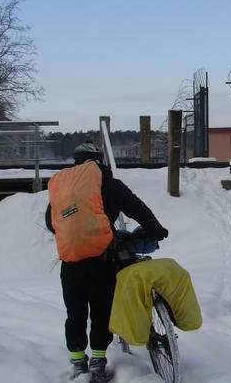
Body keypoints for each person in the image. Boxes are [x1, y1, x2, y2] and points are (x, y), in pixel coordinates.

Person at [45, 141, 168, 382]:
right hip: (102, 257)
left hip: (71, 259)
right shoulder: (108, 183)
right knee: (101, 309)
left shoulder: (61, 188)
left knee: (75, 311)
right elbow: (137, 208)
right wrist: (157, 230)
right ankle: (98, 363)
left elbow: (51, 222)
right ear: (98, 160)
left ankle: (78, 363)